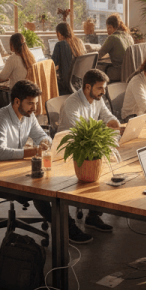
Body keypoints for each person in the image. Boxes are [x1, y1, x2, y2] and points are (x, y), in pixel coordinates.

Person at [0, 80, 92, 245]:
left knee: (53, 181)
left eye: (35, 103)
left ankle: (69, 225)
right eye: (30, 104)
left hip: (16, 167)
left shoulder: (28, 116)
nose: (34, 108)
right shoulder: (1, 119)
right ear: (17, 101)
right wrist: (34, 150)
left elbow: (42, 136)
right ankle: (68, 229)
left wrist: (45, 142)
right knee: (42, 192)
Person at [58, 68, 120, 234]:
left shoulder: (97, 98)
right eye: (100, 88)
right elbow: (80, 131)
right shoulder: (73, 103)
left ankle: (93, 215)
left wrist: (114, 122)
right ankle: (88, 216)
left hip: (89, 146)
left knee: (113, 169)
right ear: (87, 87)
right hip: (71, 150)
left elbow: (107, 116)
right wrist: (103, 129)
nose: (103, 92)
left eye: (104, 88)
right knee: (103, 171)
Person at [51, 21, 86, 95]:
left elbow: (53, 64)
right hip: (80, 83)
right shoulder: (79, 42)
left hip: (66, 84)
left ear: (59, 33)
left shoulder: (60, 44)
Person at [96, 14, 133, 82]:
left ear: (110, 27)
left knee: (98, 69)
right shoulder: (128, 36)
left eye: (107, 28)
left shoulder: (112, 38)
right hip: (129, 71)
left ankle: (102, 91)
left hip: (118, 72)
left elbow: (98, 55)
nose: (107, 32)